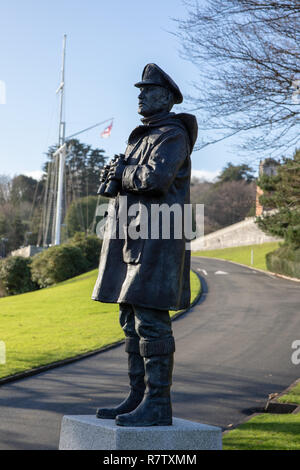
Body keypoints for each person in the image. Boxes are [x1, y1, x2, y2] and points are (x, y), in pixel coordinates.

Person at [92, 63, 198, 427]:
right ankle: (138, 395)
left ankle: (158, 402)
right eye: (139, 90)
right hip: (133, 234)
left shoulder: (172, 134)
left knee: (151, 319)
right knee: (129, 318)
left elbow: (157, 179)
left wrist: (124, 173)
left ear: (166, 97)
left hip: (157, 237)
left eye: (147, 90)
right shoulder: (141, 136)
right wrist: (117, 176)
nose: (139, 95)